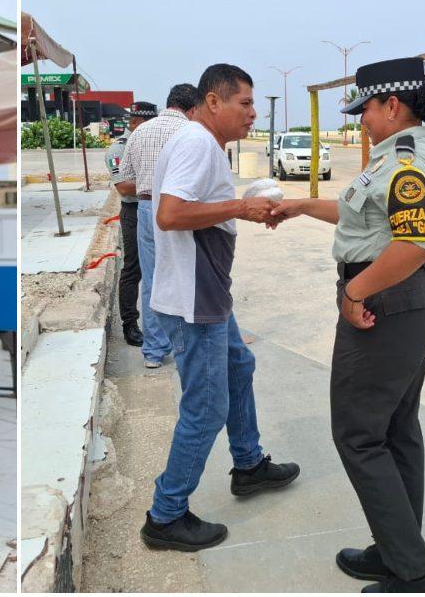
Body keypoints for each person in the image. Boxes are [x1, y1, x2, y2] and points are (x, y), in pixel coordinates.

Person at [271, 58, 425, 592]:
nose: (361, 121)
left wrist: (352, 292)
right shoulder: (396, 155)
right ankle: (397, 549)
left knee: (358, 435)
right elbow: (362, 217)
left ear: (392, 106)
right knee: (396, 432)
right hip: (401, 303)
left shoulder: (406, 161)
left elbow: (416, 244)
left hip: (385, 304)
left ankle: (416, 576)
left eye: (365, 110)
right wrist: (302, 205)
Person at [139, 64, 300, 552]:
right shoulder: (196, 143)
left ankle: (248, 464)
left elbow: (189, 205)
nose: (252, 113)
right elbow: (169, 215)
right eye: (245, 103)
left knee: (239, 366)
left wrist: (239, 203)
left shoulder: (201, 143)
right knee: (206, 408)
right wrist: (237, 208)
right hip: (194, 299)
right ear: (214, 102)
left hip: (205, 291)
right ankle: (166, 516)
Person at [115, 84, 200, 368]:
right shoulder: (191, 132)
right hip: (179, 208)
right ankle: (184, 346)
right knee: (185, 276)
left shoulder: (140, 132)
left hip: (145, 206)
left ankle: (153, 351)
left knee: (151, 279)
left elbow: (125, 179)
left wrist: (146, 184)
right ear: (192, 108)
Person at [105, 101, 158, 346]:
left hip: (157, 208)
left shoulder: (153, 144)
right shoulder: (119, 149)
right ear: (135, 122)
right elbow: (123, 187)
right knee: (133, 268)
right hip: (134, 211)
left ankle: (159, 322)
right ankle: (130, 324)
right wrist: (157, 185)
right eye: (148, 124)